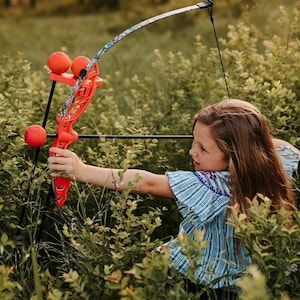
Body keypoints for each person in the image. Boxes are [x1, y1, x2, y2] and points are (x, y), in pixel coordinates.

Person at [48, 99, 300, 299]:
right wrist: (250, 137)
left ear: (235, 156)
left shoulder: (211, 185)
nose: (193, 151)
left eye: (203, 148)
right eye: (194, 142)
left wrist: (80, 170)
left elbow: (145, 182)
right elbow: (279, 146)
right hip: (255, 284)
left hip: (202, 282)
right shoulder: (278, 167)